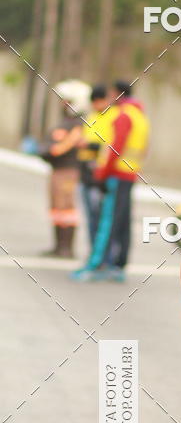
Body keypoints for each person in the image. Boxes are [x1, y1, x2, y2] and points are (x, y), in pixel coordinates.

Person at [72, 80, 150, 282]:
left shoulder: (123, 115)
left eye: (111, 93)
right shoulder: (140, 115)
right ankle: (118, 265)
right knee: (122, 221)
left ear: (118, 93)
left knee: (109, 222)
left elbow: (116, 148)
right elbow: (145, 148)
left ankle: (97, 265)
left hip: (117, 174)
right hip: (130, 173)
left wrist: (103, 173)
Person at [38, 80, 89, 257]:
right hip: (57, 170)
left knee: (66, 208)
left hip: (68, 171)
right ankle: (58, 246)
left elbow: (60, 147)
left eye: (66, 100)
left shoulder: (77, 125)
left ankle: (66, 248)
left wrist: (49, 150)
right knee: (57, 208)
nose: (62, 103)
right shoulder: (66, 123)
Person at [77, 84, 113, 247]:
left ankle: (101, 254)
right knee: (90, 215)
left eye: (99, 101)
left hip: (99, 173)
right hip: (85, 171)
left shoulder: (112, 117)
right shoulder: (91, 115)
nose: (96, 105)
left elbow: (108, 145)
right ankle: (93, 252)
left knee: (99, 215)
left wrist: (89, 145)